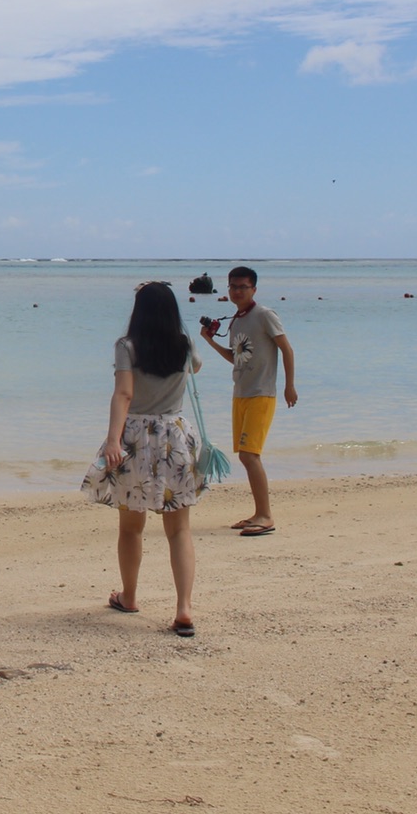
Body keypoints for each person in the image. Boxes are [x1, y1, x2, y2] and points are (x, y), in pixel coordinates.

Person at [101, 281, 204, 638]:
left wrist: (113, 439)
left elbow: (124, 393)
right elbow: (197, 367)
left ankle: (129, 596)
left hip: (137, 438)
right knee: (179, 530)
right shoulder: (184, 344)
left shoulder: (127, 346)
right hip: (176, 435)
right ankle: (184, 608)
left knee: (131, 527)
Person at [198, 265, 296, 537]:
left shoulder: (265, 315)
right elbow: (236, 356)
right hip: (240, 393)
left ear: (254, 289)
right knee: (246, 455)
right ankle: (258, 513)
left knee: (250, 455)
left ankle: (266, 516)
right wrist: (210, 341)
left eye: (243, 287)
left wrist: (289, 385)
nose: (237, 291)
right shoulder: (237, 320)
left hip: (261, 393)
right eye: (232, 286)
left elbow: (286, 348)